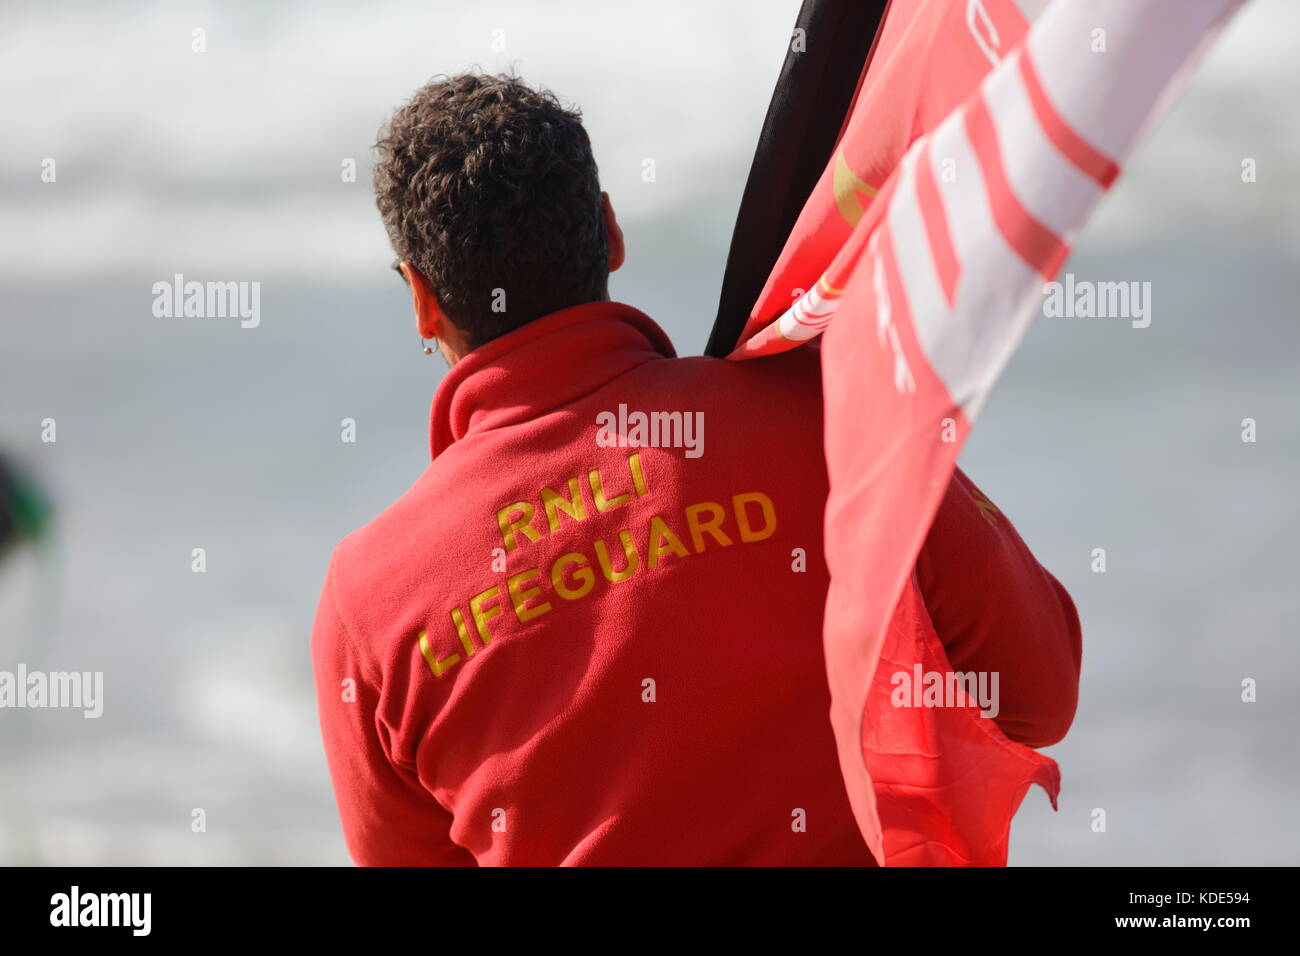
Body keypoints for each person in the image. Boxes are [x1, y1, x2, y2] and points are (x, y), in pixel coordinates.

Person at [310, 72, 1081, 866]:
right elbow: (1039, 693)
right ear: (609, 231)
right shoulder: (822, 421)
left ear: (423, 301)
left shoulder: (369, 600)